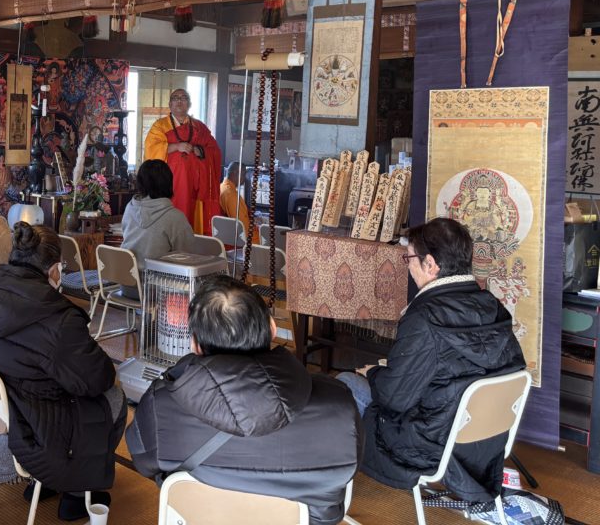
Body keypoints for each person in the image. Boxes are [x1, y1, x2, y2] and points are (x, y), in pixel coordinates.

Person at [127, 275, 361, 525]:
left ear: (195, 345)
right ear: (272, 328)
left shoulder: (161, 405)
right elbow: (342, 483)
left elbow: (144, 462)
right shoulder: (339, 404)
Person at [337, 217, 525, 504]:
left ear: (431, 264)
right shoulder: (491, 305)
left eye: (409, 258)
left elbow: (394, 399)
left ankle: (326, 489)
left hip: (428, 443)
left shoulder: (424, 317)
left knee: (345, 384)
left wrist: (373, 372)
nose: (408, 265)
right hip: (484, 442)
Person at [0, 223, 126, 521]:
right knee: (113, 397)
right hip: (15, 445)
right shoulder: (57, 315)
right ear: (56, 269)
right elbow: (97, 379)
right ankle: (76, 492)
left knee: (33, 384)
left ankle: (43, 482)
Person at [144, 88, 221, 234]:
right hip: (170, 183)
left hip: (195, 185)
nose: (179, 101)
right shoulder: (159, 126)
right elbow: (151, 149)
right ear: (170, 104)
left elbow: (214, 150)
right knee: (171, 219)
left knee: (191, 220)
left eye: (184, 98)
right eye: (175, 98)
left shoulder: (199, 127)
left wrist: (200, 150)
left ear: (189, 103)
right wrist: (175, 147)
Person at [121, 160, 195, 299]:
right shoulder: (175, 217)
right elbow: (187, 257)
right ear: (169, 182)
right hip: (158, 289)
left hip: (126, 285)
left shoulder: (129, 208)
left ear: (140, 183)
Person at [219, 161, 259, 246]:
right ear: (236, 173)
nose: (244, 178)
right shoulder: (231, 195)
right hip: (246, 242)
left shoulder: (222, 187)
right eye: (244, 174)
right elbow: (243, 228)